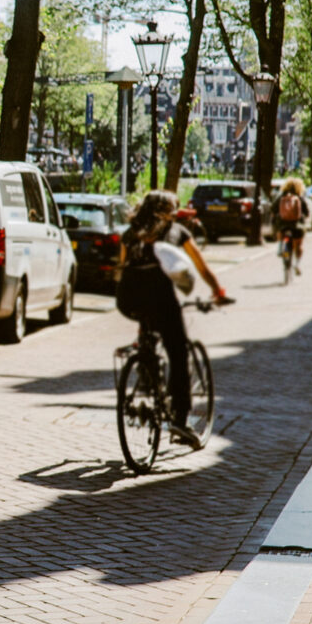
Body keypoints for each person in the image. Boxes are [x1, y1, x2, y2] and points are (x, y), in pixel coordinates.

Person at [117, 191, 233, 449]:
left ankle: (147, 370)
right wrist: (218, 291)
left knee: (149, 326)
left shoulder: (130, 232)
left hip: (127, 298)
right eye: (174, 209)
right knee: (179, 352)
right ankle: (180, 419)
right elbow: (201, 267)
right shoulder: (176, 231)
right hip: (160, 298)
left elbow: (123, 266)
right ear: (167, 212)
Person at [272, 178, 310, 275]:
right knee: (299, 245)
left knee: (280, 230)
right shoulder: (299, 197)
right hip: (297, 225)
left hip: (283, 224)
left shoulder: (281, 196)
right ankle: (297, 264)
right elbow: (306, 211)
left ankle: (281, 246)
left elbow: (273, 208)